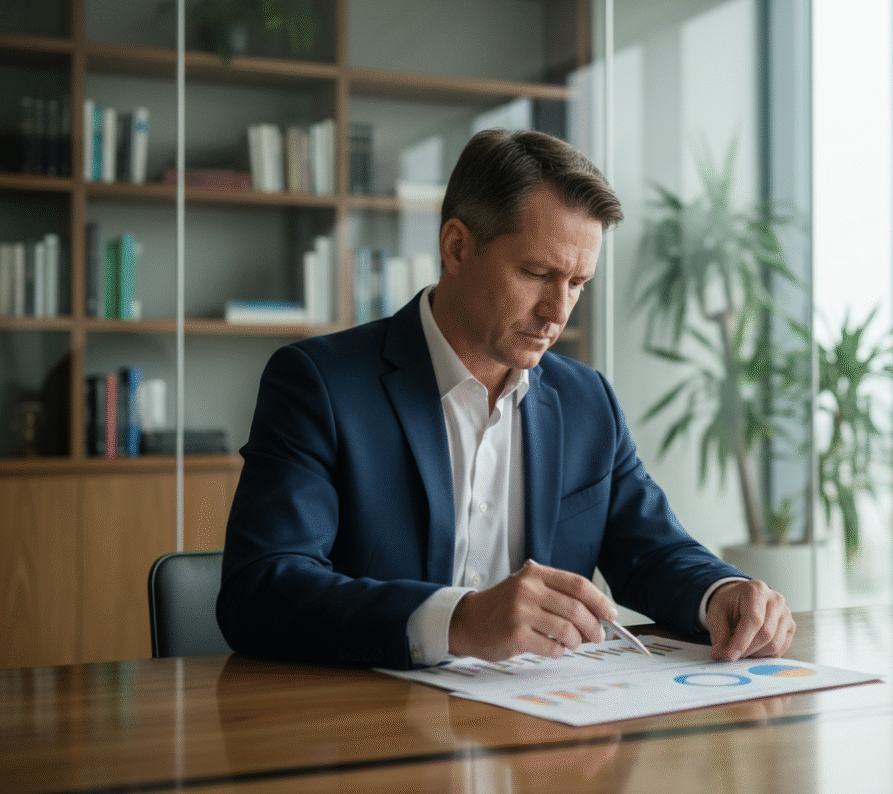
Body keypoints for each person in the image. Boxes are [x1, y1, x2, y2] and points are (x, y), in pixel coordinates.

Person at [217, 128, 795, 670]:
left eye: (577, 283)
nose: (558, 312)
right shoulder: (320, 383)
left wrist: (725, 592)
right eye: (538, 273)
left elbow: (652, 549)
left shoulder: (586, 400)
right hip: (371, 735)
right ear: (457, 247)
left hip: (541, 738)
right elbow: (263, 589)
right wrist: (460, 621)